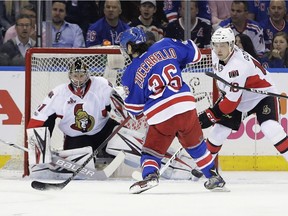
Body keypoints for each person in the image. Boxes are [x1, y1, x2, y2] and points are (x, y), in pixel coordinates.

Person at [27, 58, 201, 180]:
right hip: (76, 139)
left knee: (128, 141)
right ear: (69, 76)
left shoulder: (100, 84)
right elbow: (38, 121)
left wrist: (123, 105)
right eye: (75, 76)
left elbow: (120, 103)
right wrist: (39, 156)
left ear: (87, 74)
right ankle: (46, 167)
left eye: (81, 75)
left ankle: (176, 167)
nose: (78, 79)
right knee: (73, 168)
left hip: (105, 132)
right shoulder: (58, 93)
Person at [119, 27, 226, 194]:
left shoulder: (130, 72)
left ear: (130, 47)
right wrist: (175, 62)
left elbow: (135, 111)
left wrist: (127, 98)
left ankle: (150, 176)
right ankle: (214, 177)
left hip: (160, 114)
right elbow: (195, 54)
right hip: (186, 105)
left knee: (151, 152)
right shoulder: (166, 44)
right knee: (196, 146)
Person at [198, 27, 288, 170]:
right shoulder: (216, 54)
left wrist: (209, 115)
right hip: (239, 96)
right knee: (219, 131)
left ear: (232, 45)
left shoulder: (238, 66)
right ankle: (204, 168)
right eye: (216, 44)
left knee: (270, 128)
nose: (219, 49)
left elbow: (229, 105)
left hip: (262, 95)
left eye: (223, 45)